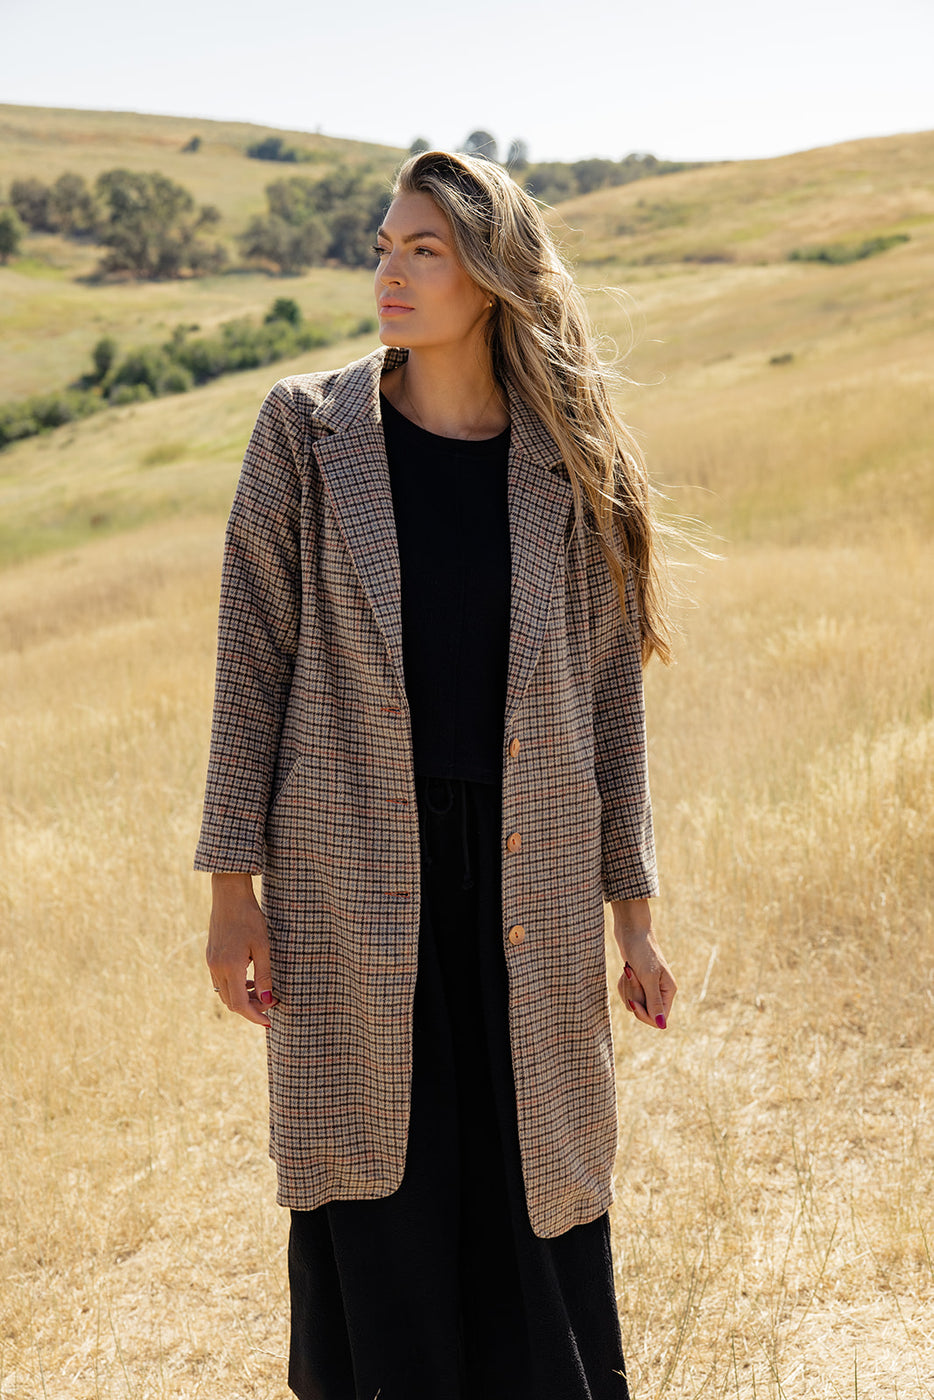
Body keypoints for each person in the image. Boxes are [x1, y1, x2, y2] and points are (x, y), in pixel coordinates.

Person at [196, 149, 677, 1400]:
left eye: (424, 250)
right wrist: (230, 889)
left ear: (491, 274)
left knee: (534, 1187)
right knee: (380, 1183)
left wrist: (633, 912)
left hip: (532, 877)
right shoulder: (306, 432)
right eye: (382, 248)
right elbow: (250, 662)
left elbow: (608, 698)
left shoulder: (566, 465)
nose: (391, 274)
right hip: (352, 881)